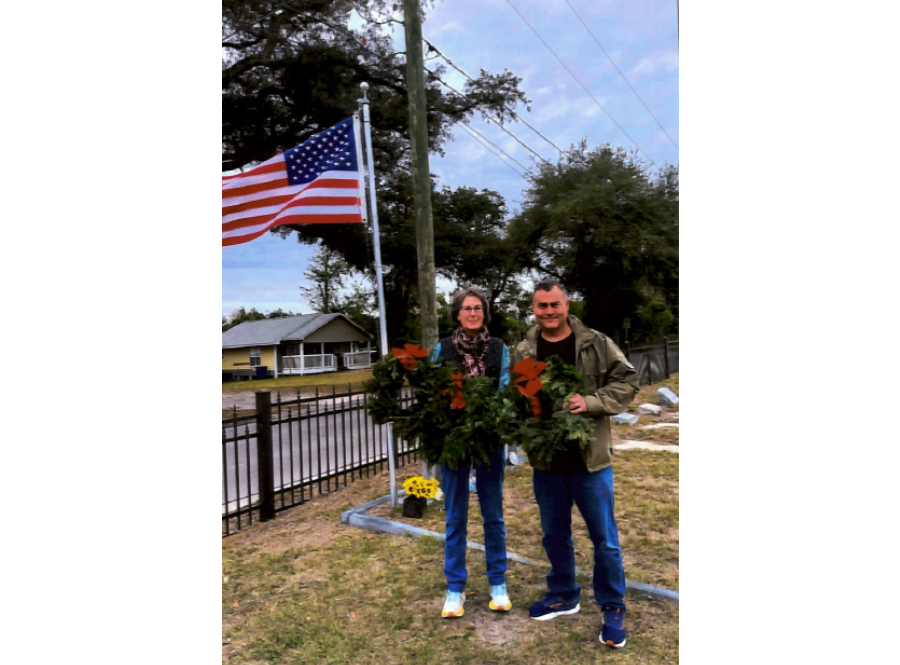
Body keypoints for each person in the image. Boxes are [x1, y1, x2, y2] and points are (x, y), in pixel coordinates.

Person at [512, 279, 639, 648]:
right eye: (541, 306)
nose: (548, 312)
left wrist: (592, 401)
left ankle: (612, 606)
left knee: (605, 540)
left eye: (554, 305)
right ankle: (564, 594)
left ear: (566, 305)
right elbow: (519, 394)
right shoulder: (525, 348)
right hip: (547, 461)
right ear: (533, 309)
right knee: (554, 534)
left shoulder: (595, 343)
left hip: (590, 462)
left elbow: (627, 380)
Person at [431, 286, 511, 618]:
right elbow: (432, 390)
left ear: (485, 313)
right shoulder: (443, 349)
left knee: (493, 515)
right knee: (455, 516)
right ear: (457, 314)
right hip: (453, 442)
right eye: (467, 308)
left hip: (489, 439)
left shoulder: (499, 349)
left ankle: (498, 583)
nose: (473, 313)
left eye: (478, 308)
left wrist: (490, 416)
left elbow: (506, 387)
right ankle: (455, 588)